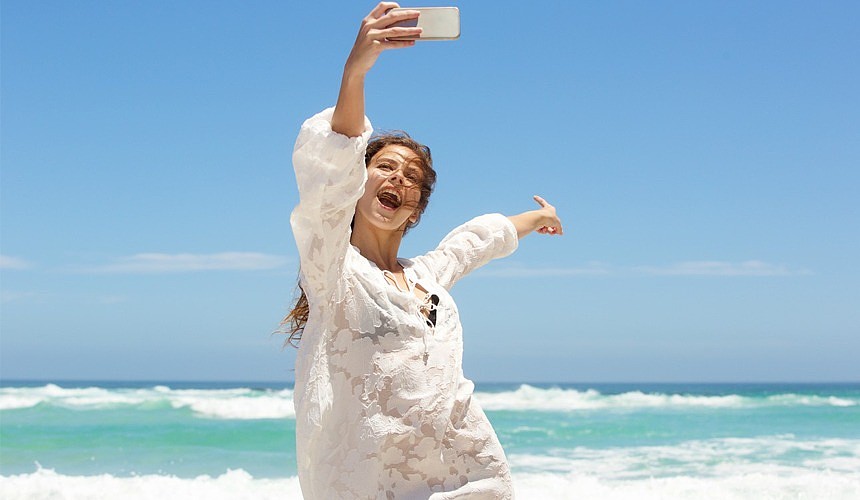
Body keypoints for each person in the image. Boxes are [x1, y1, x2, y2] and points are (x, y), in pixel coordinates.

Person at [283, 3, 563, 498]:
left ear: (415, 210)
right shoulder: (333, 268)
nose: (398, 179)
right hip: (368, 485)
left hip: (468, 477)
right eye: (385, 167)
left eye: (412, 177)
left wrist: (539, 216)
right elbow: (329, 170)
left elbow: (475, 241)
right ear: (356, 185)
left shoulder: (426, 276)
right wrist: (356, 70)